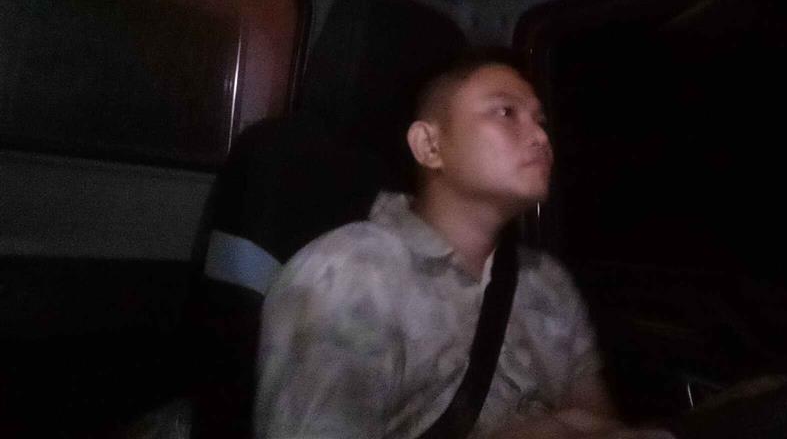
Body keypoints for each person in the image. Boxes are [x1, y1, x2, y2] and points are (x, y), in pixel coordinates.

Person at [254, 49, 674, 438]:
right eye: (506, 112)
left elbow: (597, 419)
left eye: (541, 121)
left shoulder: (547, 280)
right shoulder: (349, 271)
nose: (540, 137)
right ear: (430, 146)